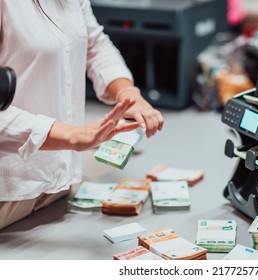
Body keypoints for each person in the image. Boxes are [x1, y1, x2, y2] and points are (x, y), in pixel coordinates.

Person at [0, 0, 163, 230]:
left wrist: (128, 94)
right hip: (8, 192)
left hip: (58, 184)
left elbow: (95, 45)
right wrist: (72, 136)